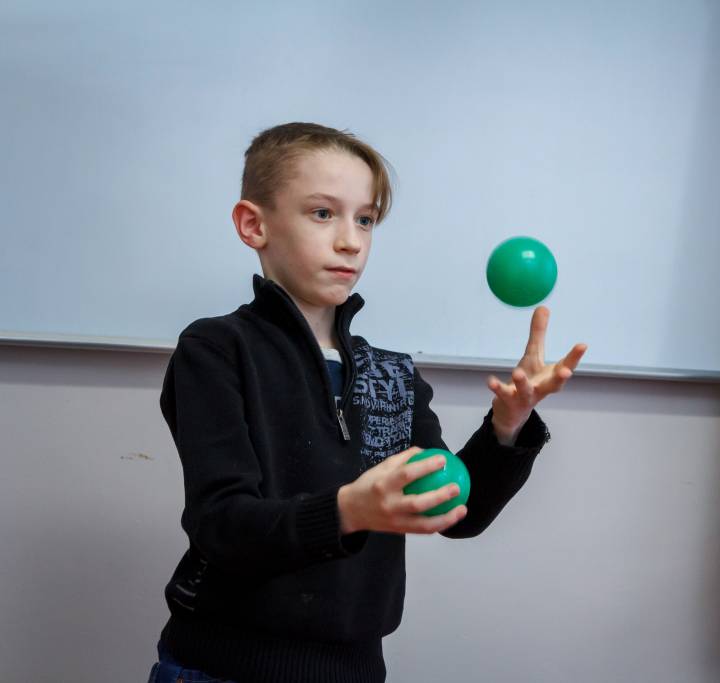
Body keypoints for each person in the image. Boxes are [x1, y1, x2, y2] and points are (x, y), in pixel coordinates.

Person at [148, 122, 587, 683]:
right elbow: (223, 525)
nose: (351, 241)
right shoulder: (215, 350)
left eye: (365, 219)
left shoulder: (391, 373)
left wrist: (508, 425)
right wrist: (347, 511)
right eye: (322, 213)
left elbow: (457, 512)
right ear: (254, 224)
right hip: (222, 668)